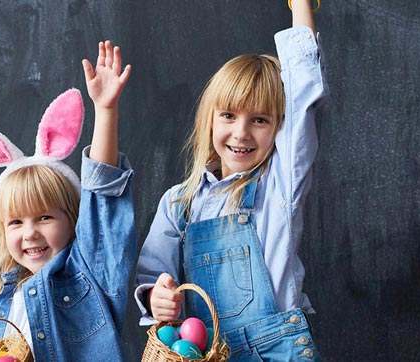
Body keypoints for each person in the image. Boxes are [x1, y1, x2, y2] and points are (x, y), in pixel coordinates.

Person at [135, 1, 326, 360]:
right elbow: (154, 273)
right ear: (209, 119)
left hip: (276, 352)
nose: (241, 133)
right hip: (206, 354)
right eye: (228, 115)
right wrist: (157, 295)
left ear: (280, 128)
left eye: (260, 120)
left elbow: (302, 94)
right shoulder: (180, 204)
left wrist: (301, 6)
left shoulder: (280, 187)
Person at [0, 40, 134, 361]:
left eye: (44, 218)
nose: (29, 233)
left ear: (73, 219)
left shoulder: (87, 278)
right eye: (16, 222)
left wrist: (105, 111)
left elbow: (103, 196)